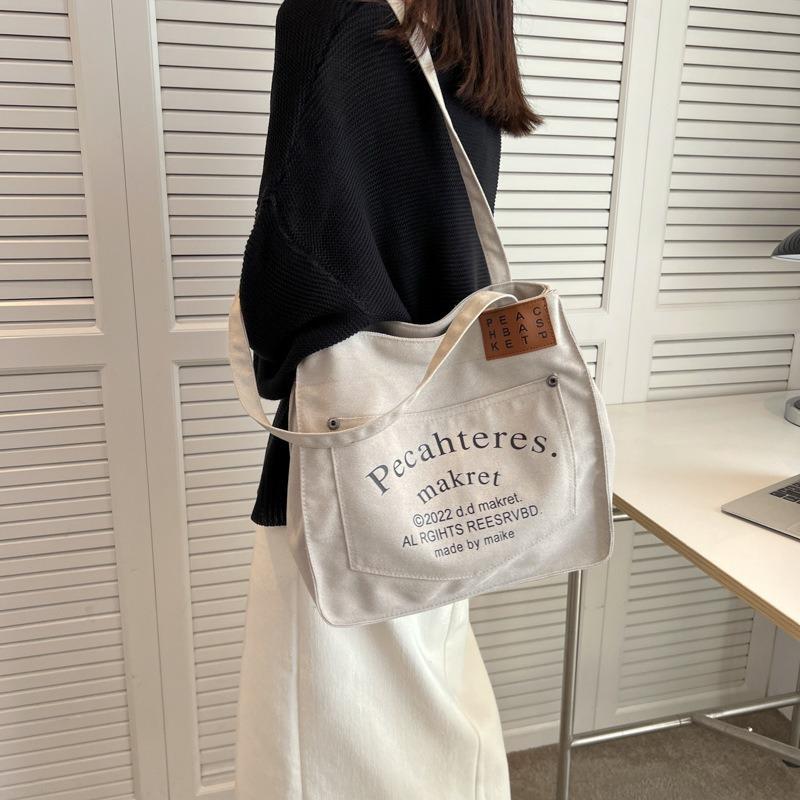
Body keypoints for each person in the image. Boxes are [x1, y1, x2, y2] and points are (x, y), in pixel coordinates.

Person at [233, 0, 541, 797]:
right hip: (455, 444)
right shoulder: (473, 39)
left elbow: (292, 277)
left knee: (327, 721)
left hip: (350, 443)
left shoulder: (331, 14)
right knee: (435, 685)